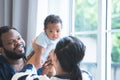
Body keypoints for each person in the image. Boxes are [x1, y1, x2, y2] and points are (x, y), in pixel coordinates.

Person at [12, 36, 94, 80]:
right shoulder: (86, 75)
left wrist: (37, 55)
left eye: (53, 49)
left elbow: (17, 77)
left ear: (55, 57)